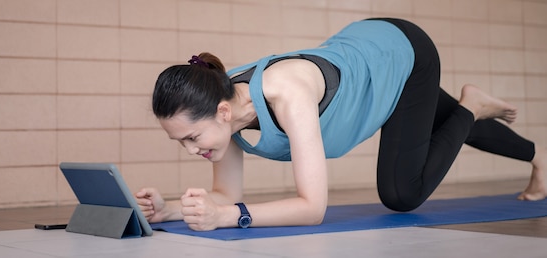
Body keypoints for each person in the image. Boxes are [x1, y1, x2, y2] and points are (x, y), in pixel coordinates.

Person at [136, 18, 547, 231]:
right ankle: (539, 157)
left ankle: (471, 106)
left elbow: (312, 209)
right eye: (182, 144)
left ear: (223, 113)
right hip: (364, 54)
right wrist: (170, 210)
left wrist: (228, 218)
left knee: (402, 193)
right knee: (433, 122)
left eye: (192, 138)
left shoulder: (288, 95)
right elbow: (226, 193)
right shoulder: (221, 99)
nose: (193, 150)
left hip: (400, 53)